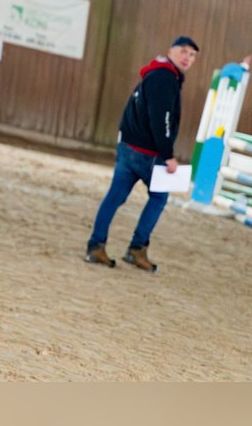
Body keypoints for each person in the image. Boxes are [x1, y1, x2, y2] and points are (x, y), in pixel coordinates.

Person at [84, 35, 200, 273]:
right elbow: (162, 119)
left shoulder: (154, 74)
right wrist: (168, 155)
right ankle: (137, 248)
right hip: (148, 154)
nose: (187, 58)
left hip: (127, 147)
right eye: (184, 52)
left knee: (115, 197)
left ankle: (96, 246)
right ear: (171, 51)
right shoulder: (166, 78)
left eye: (192, 55)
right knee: (158, 198)